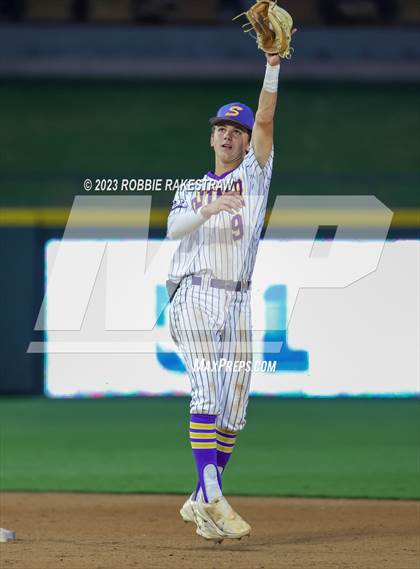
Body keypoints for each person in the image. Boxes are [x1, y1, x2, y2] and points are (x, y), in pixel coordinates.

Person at [166, 52, 282, 542]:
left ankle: (198, 498)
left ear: (248, 138)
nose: (228, 134)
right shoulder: (192, 189)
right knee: (206, 390)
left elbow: (269, 115)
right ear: (211, 136)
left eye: (237, 129)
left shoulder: (255, 175)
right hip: (194, 294)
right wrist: (210, 207)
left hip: (237, 302)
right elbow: (174, 229)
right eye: (221, 128)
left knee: (234, 412)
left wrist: (272, 67)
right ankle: (212, 494)